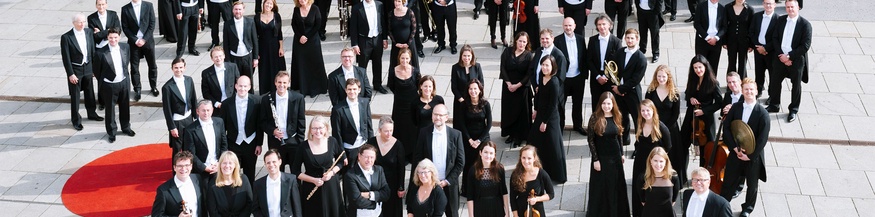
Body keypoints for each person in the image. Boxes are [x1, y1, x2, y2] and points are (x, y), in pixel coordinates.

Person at [720, 78, 771, 217]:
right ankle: (723, 204)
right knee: (729, 180)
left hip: (752, 156)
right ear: (742, 91)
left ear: (756, 91)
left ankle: (747, 209)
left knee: (752, 185)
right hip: (736, 151)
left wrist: (749, 156)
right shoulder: (736, 107)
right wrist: (734, 148)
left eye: (751, 89)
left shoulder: (763, 114)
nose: (749, 92)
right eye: (746, 89)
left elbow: (762, 139)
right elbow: (727, 128)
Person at [411, 104, 464, 217]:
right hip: (429, 184)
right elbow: (418, 158)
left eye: (441, 115)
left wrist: (447, 181)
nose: (437, 117)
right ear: (432, 116)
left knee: (452, 214)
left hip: (449, 184)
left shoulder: (456, 135)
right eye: (435, 114)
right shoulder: (424, 132)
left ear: (446, 117)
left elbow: (460, 162)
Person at [678, 55, 723, 187]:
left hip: (706, 120)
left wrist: (705, 110)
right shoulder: (692, 79)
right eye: (695, 68)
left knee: (705, 150)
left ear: (705, 66)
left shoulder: (713, 83)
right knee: (682, 144)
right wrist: (690, 98)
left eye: (700, 67)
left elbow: (719, 102)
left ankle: (701, 179)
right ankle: (681, 178)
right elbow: (687, 93)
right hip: (691, 116)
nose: (698, 70)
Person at [586, 92, 630, 217]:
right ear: (600, 104)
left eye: (609, 104)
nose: (606, 106)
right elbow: (591, 140)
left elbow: (619, 136)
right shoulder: (595, 118)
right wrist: (595, 159)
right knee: (601, 187)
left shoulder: (617, 115)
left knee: (616, 185)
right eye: (604, 103)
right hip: (601, 157)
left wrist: (621, 154)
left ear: (613, 104)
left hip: (615, 157)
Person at [292, 116, 347, 217]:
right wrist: (313, 180)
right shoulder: (303, 147)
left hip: (331, 185)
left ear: (326, 128)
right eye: (314, 128)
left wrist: (331, 173)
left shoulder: (332, 141)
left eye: (320, 128)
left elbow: (340, 162)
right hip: (311, 186)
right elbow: (295, 171)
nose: (318, 131)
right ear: (310, 130)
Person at [766, 0, 811, 123]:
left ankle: (793, 109)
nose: (790, 9)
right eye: (787, 7)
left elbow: (805, 46)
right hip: (780, 58)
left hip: (796, 61)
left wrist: (789, 57)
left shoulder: (805, 25)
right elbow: (775, 38)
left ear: (798, 8)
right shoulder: (780, 20)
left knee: (796, 86)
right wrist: (782, 55)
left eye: (792, 7)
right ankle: (774, 105)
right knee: (775, 82)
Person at [631, 102, 673, 217]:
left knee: (651, 191)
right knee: (638, 188)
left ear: (653, 111)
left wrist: (658, 163)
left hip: (653, 165)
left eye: (648, 110)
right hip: (640, 162)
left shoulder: (661, 127)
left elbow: (668, 147)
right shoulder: (640, 123)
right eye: (643, 111)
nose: (645, 113)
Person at [530, 56, 567, 184]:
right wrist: (535, 109)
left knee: (552, 144)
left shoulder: (554, 82)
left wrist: (545, 122)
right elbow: (538, 94)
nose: (544, 68)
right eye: (543, 65)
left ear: (553, 67)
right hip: (541, 113)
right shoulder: (541, 76)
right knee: (536, 141)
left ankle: (557, 174)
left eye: (547, 65)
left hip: (550, 118)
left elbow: (553, 105)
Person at [61, 14, 101, 131]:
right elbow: (66, 57)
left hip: (88, 66)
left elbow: (92, 49)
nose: (82, 24)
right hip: (76, 69)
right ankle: (76, 120)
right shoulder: (67, 37)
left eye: (84, 21)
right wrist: (70, 74)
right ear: (74, 23)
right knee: (75, 96)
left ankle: (92, 113)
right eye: (79, 22)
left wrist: (94, 67)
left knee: (90, 92)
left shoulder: (88, 32)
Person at [94, 29, 135, 143]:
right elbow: (97, 71)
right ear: (107, 37)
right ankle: (111, 132)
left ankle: (126, 127)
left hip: (124, 82)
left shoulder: (125, 47)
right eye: (111, 37)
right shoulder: (100, 53)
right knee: (110, 110)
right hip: (109, 85)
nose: (113, 40)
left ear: (119, 37)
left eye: (115, 37)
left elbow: (126, 63)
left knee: (125, 106)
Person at [261, 71, 307, 172]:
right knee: (277, 172)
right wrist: (273, 131)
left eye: (285, 83)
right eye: (279, 82)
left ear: (289, 83)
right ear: (275, 83)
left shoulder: (298, 98)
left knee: (296, 172)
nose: (282, 85)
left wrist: (300, 141)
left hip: (293, 140)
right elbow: (263, 122)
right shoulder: (266, 99)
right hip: (275, 142)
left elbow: (301, 121)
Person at [221, 75, 263, 186]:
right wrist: (224, 147)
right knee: (232, 173)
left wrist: (259, 144)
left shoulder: (257, 102)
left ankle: (250, 198)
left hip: (251, 143)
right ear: (235, 86)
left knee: (250, 174)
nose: (242, 89)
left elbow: (259, 125)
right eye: (240, 86)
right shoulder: (226, 104)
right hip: (233, 143)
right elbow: (222, 128)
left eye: (245, 86)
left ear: (249, 87)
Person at [454, 79, 492, 195]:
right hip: (468, 138)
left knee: (483, 163)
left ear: (480, 90)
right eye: (471, 89)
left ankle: (483, 188)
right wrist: (470, 140)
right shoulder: (464, 105)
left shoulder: (485, 104)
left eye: (475, 88)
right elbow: (462, 124)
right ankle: (467, 188)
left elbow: (489, 124)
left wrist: (479, 140)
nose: (473, 91)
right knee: (469, 164)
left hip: (482, 137)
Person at [611, 28, 647, 146]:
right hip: (619, 92)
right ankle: (624, 140)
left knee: (638, 120)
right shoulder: (620, 52)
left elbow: (635, 79)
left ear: (637, 39)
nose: (629, 40)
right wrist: (616, 87)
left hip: (632, 94)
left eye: (632, 38)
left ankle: (638, 146)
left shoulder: (641, 58)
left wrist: (620, 89)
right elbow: (613, 69)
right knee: (622, 117)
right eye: (627, 38)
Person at [367, 117, 407, 217]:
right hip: (375, 183)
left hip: (392, 185)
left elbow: (401, 168)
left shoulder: (398, 145)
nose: (389, 134)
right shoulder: (372, 142)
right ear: (379, 130)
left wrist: (401, 187)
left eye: (391, 130)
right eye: (386, 131)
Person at [331, 78, 374, 169]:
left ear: (359, 90)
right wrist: (342, 155)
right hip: (349, 148)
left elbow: (369, 125)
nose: (352, 92)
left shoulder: (365, 103)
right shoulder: (338, 109)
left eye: (354, 89)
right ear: (345, 90)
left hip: (364, 144)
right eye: (349, 89)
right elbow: (336, 134)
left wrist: (371, 147)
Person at [554, 18, 587, 135]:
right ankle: (560, 127)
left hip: (578, 77)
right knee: (561, 105)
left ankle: (578, 125)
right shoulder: (557, 41)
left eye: (570, 25)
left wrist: (584, 75)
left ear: (574, 26)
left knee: (578, 103)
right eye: (566, 25)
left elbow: (584, 57)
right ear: (563, 26)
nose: (568, 28)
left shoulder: (580, 39)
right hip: (564, 78)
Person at [499, 32, 533, 148]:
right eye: (520, 41)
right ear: (516, 41)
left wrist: (517, 85)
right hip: (508, 86)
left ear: (527, 43)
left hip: (521, 88)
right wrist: (509, 83)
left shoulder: (529, 56)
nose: (521, 44)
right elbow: (503, 67)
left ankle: (519, 136)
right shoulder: (507, 51)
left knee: (521, 112)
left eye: (524, 41)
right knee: (509, 111)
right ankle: (511, 134)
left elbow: (529, 74)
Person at [121, 0, 159, 101]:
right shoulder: (125, 9)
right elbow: (125, 27)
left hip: (148, 41)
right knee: (134, 67)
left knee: (152, 65)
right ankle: (137, 89)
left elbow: (152, 23)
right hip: (134, 43)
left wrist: (144, 39)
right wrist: (136, 40)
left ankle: (153, 86)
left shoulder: (149, 5)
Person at [290, 0, 328, 97]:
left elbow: (318, 24)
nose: (302, 0)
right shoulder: (296, 9)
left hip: (312, 40)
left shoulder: (315, 9)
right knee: (301, 62)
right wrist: (300, 36)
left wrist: (307, 36)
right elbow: (293, 24)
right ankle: (302, 86)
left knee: (314, 62)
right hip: (299, 40)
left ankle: (315, 86)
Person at [351, 0, 389, 94]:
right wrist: (355, 44)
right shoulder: (357, 8)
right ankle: (361, 87)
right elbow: (353, 27)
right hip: (364, 40)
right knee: (362, 65)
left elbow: (383, 22)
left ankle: (377, 84)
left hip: (377, 39)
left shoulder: (379, 4)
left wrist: (384, 38)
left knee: (377, 63)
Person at [644, 64, 681, 161]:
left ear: (668, 77)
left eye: (663, 76)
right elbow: (646, 109)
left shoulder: (674, 93)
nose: (661, 79)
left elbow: (675, 114)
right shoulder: (650, 91)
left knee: (672, 156)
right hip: (654, 126)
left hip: (670, 128)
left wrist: (664, 129)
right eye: (659, 76)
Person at [152, 151, 205, 217]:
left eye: (186, 165)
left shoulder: (198, 179)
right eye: (180, 166)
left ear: (191, 166)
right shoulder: (163, 190)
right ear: (174, 167)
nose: (183, 169)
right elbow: (156, 215)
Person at [252, 149, 303, 217]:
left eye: (274, 162)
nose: (271, 165)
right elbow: (255, 209)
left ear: (280, 161)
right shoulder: (258, 184)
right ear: (265, 164)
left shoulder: (291, 180)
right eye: (268, 163)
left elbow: (297, 207)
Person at [185, 100, 229, 178]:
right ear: (197, 111)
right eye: (203, 110)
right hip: (201, 170)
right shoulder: (190, 130)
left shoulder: (219, 122)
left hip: (218, 165)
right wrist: (204, 167)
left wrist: (220, 162)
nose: (206, 113)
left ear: (212, 110)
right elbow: (191, 154)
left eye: (208, 110)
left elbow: (224, 144)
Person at [390, 51, 422, 159]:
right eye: (402, 58)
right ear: (399, 58)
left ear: (410, 58)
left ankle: (411, 153)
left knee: (412, 128)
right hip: (399, 104)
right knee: (399, 127)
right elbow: (391, 86)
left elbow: (418, 86)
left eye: (407, 58)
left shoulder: (415, 71)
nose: (404, 61)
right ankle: (400, 152)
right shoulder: (393, 70)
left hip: (412, 104)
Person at [163, 58, 198, 156]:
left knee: (190, 146)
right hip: (177, 121)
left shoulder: (189, 80)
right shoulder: (167, 87)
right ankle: (175, 171)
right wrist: (172, 127)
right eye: (176, 68)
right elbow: (167, 109)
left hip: (189, 118)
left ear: (185, 68)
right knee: (177, 150)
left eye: (181, 67)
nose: (179, 70)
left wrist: (196, 118)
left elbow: (193, 99)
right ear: (172, 69)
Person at [344, 144, 391, 217]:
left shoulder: (379, 170)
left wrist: (370, 195)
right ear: (359, 156)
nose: (369, 160)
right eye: (366, 157)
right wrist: (376, 202)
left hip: (378, 214)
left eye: (372, 157)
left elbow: (386, 193)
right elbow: (357, 201)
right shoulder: (350, 175)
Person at [588, 14, 622, 112]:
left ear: (609, 25)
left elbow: (618, 63)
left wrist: (607, 76)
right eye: (599, 24)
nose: (601, 27)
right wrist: (598, 76)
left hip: (610, 79)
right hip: (596, 78)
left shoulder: (616, 42)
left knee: (609, 105)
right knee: (596, 104)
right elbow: (589, 60)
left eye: (604, 24)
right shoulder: (592, 40)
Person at [465, 142, 509, 217]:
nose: (488, 156)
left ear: (494, 155)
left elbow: (504, 191)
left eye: (491, 153)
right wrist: (471, 215)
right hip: (480, 208)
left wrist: (507, 213)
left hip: (497, 208)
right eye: (485, 152)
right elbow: (470, 196)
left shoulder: (499, 169)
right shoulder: (473, 170)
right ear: (480, 153)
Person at [509, 145, 554, 217]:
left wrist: (537, 199)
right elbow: (512, 198)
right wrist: (515, 215)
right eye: (523, 158)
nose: (526, 161)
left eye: (529, 158)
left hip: (537, 211)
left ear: (534, 159)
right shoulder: (515, 175)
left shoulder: (542, 174)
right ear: (520, 158)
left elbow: (551, 194)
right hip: (521, 210)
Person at [205, 151, 254, 216]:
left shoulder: (244, 179)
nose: (227, 166)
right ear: (220, 165)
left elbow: (249, 204)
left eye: (230, 163)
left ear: (235, 165)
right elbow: (212, 210)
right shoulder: (213, 183)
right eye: (224, 163)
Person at [89, 0, 118, 105]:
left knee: (114, 72)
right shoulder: (91, 18)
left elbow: (117, 30)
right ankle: (101, 100)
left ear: (106, 5)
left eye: (103, 4)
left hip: (112, 47)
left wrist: (101, 33)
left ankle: (114, 97)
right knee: (101, 76)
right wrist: (108, 31)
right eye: (99, 5)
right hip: (100, 49)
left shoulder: (113, 14)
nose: (101, 6)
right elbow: (94, 36)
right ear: (96, 6)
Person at [256, 0, 286, 95]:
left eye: (270, 4)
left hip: (274, 45)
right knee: (264, 67)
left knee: (275, 67)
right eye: (267, 3)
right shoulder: (257, 17)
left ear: (273, 6)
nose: (268, 5)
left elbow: (280, 33)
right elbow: (255, 35)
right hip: (262, 46)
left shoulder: (276, 16)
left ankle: (276, 88)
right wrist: (256, 52)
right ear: (263, 4)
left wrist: (281, 47)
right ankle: (265, 90)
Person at [387, 0, 419, 89]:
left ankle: (414, 81)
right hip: (397, 44)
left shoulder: (409, 12)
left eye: (399, 1)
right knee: (395, 62)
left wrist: (407, 43)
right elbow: (389, 30)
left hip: (409, 44)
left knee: (410, 62)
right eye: (395, 1)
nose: (396, 3)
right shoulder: (391, 14)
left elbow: (414, 29)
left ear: (403, 2)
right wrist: (395, 43)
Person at [749, 0, 778, 98]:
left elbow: (777, 38)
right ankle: (758, 91)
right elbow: (751, 32)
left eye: (770, 3)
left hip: (771, 52)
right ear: (763, 4)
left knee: (772, 74)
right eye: (766, 3)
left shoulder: (779, 19)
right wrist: (757, 46)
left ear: (774, 5)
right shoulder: (757, 16)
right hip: (758, 50)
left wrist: (766, 48)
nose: (768, 5)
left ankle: (771, 95)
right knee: (759, 73)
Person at [640, 147, 679, 217]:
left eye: (661, 161)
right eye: (655, 160)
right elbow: (642, 200)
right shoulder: (643, 178)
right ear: (650, 161)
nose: (658, 164)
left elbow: (673, 201)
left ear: (666, 162)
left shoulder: (673, 178)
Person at [224, 2, 259, 79]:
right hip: (234, 56)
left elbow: (255, 40)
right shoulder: (227, 24)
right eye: (236, 9)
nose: (238, 11)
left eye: (240, 9)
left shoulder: (250, 22)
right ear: (232, 10)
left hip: (247, 56)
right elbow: (226, 43)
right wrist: (227, 60)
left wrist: (255, 58)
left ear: (243, 10)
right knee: (236, 79)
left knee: (249, 80)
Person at [202, 46, 240, 116]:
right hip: (217, 106)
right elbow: (206, 93)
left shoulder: (233, 67)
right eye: (215, 57)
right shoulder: (206, 73)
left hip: (232, 103)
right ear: (212, 58)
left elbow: (238, 85)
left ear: (224, 56)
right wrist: (216, 103)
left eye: (220, 56)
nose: (218, 58)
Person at [694, 0, 726, 74]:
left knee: (713, 67)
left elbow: (724, 27)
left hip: (716, 42)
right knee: (700, 66)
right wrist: (707, 37)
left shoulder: (722, 9)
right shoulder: (701, 6)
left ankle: (712, 85)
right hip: (702, 41)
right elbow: (697, 24)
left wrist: (716, 38)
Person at [450, 45, 484, 113]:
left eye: (468, 56)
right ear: (461, 56)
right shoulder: (455, 68)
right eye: (464, 55)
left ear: (472, 56)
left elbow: (481, 83)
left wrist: (476, 98)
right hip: (461, 100)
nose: (466, 58)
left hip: (474, 99)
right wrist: (461, 100)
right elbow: (454, 87)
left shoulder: (477, 66)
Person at [724, 0, 754, 78]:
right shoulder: (727, 7)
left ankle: (742, 83)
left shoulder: (750, 9)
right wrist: (724, 41)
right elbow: (724, 25)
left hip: (744, 41)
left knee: (742, 63)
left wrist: (751, 44)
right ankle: (731, 83)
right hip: (731, 40)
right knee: (731, 62)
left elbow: (752, 27)